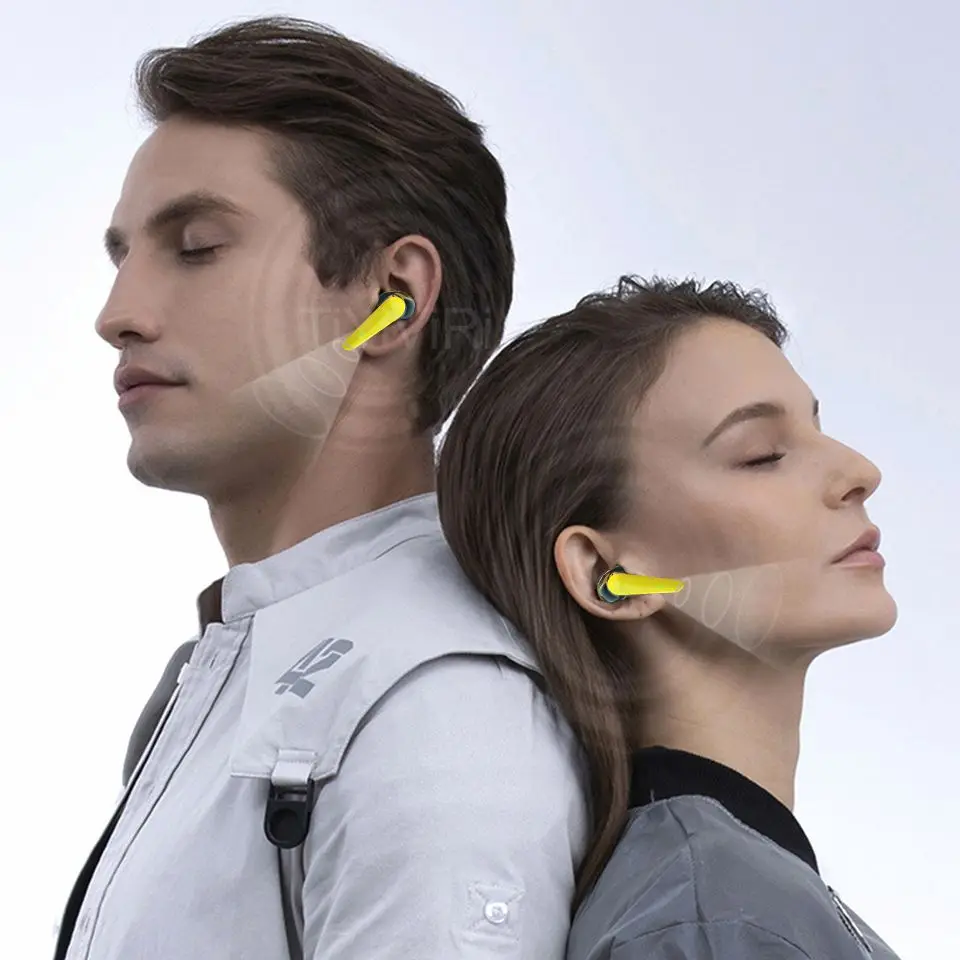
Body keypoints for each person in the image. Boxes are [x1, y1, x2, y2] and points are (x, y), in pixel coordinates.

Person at [54, 16, 590, 960]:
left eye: (197, 246)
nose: (117, 314)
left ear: (394, 297)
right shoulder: (245, 673)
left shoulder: (440, 702)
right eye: (122, 257)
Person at [437, 276, 902, 959]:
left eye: (818, 428)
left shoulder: (732, 896)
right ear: (606, 575)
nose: (860, 471)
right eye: (762, 455)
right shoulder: (713, 915)